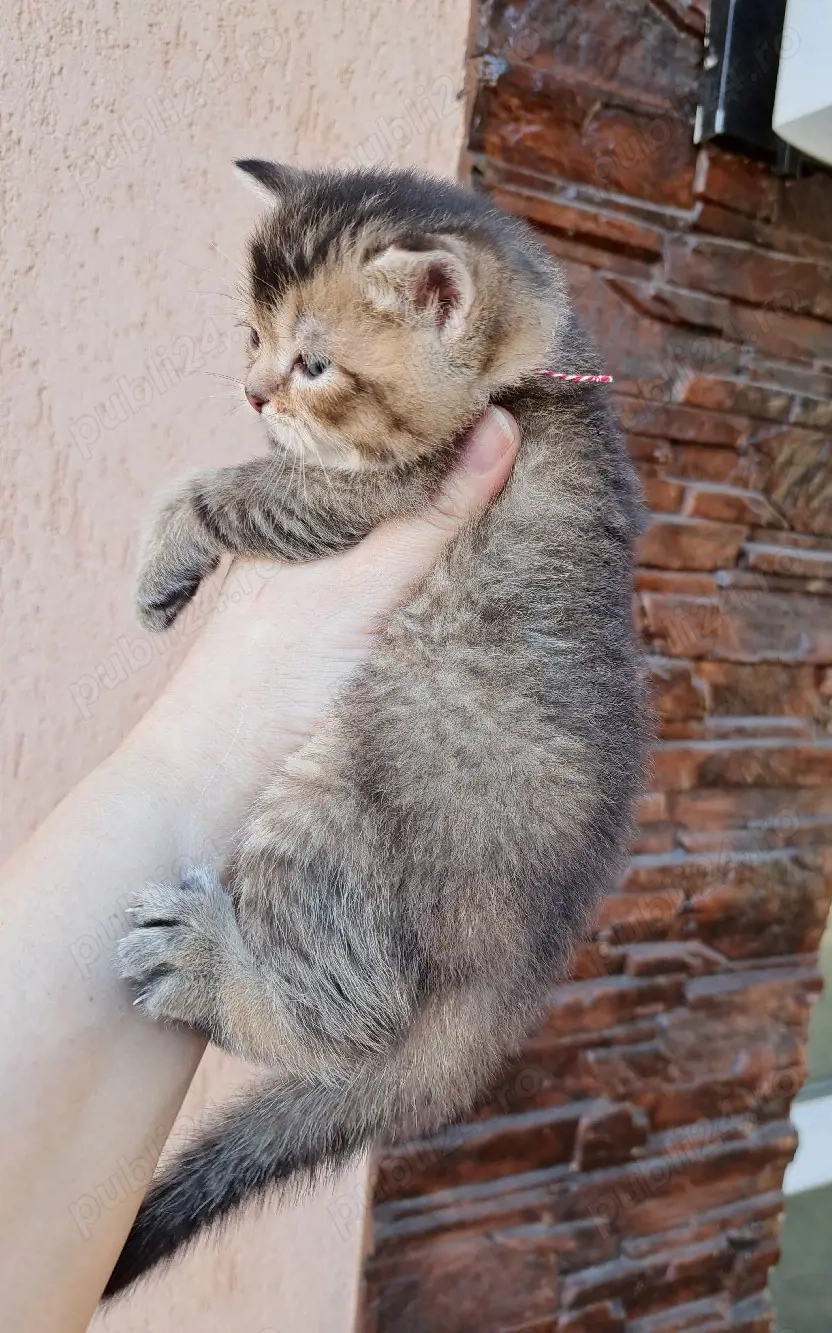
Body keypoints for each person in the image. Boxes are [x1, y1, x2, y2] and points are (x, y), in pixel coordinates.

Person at [0, 407, 520, 1331]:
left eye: (304, 356)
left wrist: (203, 513)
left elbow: (381, 483)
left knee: (337, 802)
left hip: (457, 790)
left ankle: (288, 1001)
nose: (258, 387)